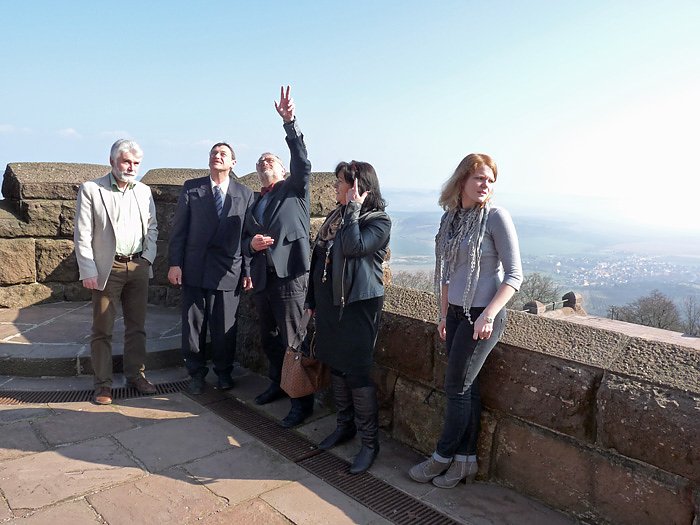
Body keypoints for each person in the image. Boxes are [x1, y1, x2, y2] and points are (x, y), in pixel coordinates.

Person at [409, 153, 522, 488]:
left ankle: (441, 457)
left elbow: (514, 276)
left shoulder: (496, 217)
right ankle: (465, 462)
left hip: (482, 315)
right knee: (466, 390)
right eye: (479, 178)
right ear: (462, 180)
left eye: (490, 180)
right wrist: (444, 314)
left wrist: (488, 315)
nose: (486, 185)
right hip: (457, 314)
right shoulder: (452, 219)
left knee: (456, 388)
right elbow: (448, 273)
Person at [306, 161, 391, 474]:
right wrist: (311, 300)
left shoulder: (378, 221)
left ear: (358, 187)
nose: (335, 187)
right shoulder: (336, 217)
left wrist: (354, 208)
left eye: (340, 182)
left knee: (356, 371)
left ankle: (370, 443)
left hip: (358, 305)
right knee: (336, 365)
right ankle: (345, 427)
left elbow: (355, 247)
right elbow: (319, 260)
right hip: (330, 304)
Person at [243, 86, 315, 428]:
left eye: (270, 160)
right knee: (269, 338)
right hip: (264, 278)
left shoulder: (294, 190)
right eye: (260, 161)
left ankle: (301, 402)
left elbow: (302, 159)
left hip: (291, 277)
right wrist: (251, 245)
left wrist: (290, 122)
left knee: (293, 341)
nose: (263, 162)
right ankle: (278, 384)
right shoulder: (256, 202)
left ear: (284, 170)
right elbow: (245, 241)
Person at [168, 138, 255, 394]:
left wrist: (248, 270)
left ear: (233, 162)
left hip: (228, 270)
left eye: (223, 153)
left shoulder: (245, 193)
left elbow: (247, 236)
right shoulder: (192, 188)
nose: (217, 155)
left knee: (224, 326)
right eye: (214, 152)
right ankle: (196, 373)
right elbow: (179, 230)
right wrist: (175, 264)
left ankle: (224, 372)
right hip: (195, 268)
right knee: (193, 326)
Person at [74, 139, 159, 405]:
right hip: (106, 268)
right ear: (112, 161)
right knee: (103, 328)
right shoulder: (92, 189)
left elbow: (152, 227)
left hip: (138, 265)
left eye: (136, 163)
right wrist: (88, 269)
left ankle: (136, 376)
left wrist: (147, 258)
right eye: (126, 161)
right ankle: (103, 385)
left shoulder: (144, 191)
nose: (131, 167)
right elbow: (82, 233)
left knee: (137, 327)